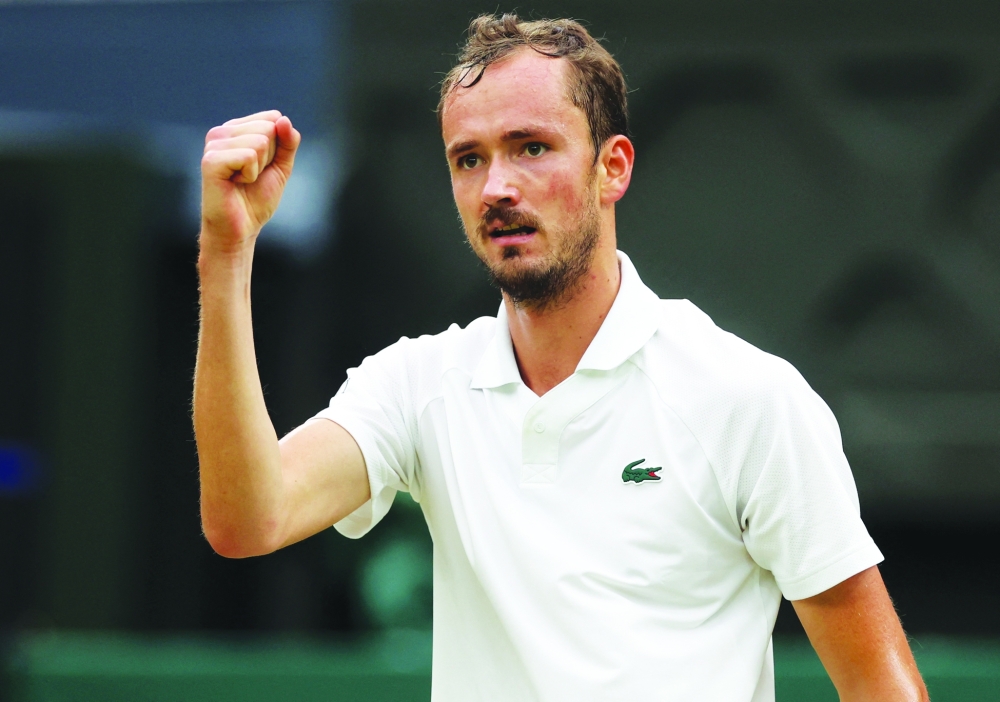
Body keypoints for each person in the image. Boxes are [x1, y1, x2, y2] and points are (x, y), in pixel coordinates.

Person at [194, 13, 928, 702]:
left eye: (531, 147)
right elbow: (248, 521)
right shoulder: (418, 386)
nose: (496, 188)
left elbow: (882, 686)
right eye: (469, 159)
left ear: (613, 168)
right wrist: (227, 252)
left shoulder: (746, 397)